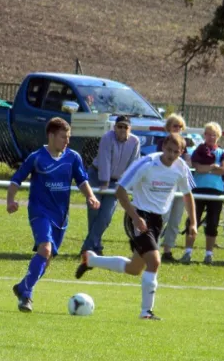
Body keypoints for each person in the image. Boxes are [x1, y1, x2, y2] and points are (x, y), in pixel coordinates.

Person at [75, 133, 198, 320]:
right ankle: (145, 312)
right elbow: (120, 191)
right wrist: (135, 217)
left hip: (157, 221)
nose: (171, 155)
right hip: (139, 215)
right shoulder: (147, 164)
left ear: (181, 152)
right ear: (162, 147)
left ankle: (91, 260)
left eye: (176, 152)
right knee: (154, 261)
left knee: (134, 268)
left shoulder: (181, 168)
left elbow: (188, 195)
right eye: (169, 150)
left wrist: (193, 223)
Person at [7, 117, 100, 313]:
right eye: (63, 137)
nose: (67, 141)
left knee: (46, 259)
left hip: (61, 217)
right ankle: (26, 295)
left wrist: (90, 196)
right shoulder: (37, 157)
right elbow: (17, 179)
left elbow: (82, 180)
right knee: (45, 250)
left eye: (68, 137)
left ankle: (23, 286)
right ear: (51, 136)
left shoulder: (73, 157)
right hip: (40, 212)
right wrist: (10, 200)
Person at [80, 115, 140, 256]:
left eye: (125, 127)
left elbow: (133, 164)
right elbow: (104, 159)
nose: (122, 130)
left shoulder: (135, 141)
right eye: (119, 126)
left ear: (129, 129)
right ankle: (96, 246)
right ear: (114, 127)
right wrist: (104, 182)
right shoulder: (107, 137)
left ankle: (88, 247)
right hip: (96, 176)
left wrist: (125, 184)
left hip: (117, 182)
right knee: (94, 212)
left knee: (106, 216)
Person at [180, 122, 224, 264]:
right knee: (192, 221)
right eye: (208, 134)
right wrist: (213, 167)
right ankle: (188, 252)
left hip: (216, 192)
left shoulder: (223, 152)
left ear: (218, 137)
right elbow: (197, 168)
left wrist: (207, 168)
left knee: (213, 223)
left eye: (214, 135)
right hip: (198, 190)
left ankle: (209, 254)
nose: (211, 137)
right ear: (204, 135)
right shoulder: (198, 151)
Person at [156, 114, 192, 262]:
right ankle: (153, 248)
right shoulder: (162, 143)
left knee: (175, 220)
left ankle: (168, 250)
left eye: (180, 126)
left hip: (179, 186)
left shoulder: (184, 145)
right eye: (175, 126)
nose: (177, 129)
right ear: (168, 127)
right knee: (162, 218)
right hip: (164, 186)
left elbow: (188, 163)